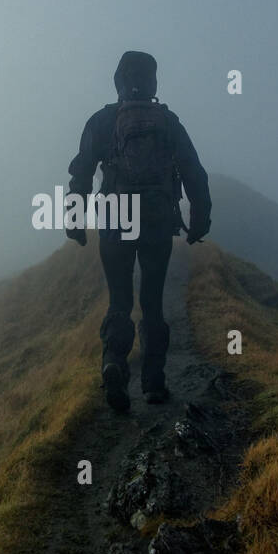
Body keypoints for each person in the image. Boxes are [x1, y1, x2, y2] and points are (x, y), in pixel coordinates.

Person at [66, 50, 211, 412]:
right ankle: (154, 383)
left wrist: (74, 220)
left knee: (119, 299)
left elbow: (81, 172)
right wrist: (199, 220)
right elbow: (195, 172)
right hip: (158, 220)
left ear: (118, 82)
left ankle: (114, 362)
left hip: (117, 218)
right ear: (153, 82)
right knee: (152, 301)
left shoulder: (102, 121)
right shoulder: (168, 121)